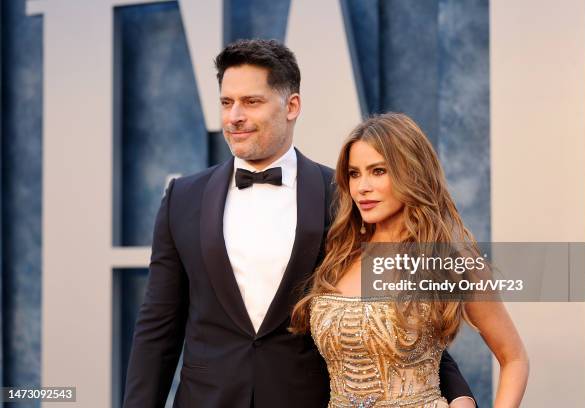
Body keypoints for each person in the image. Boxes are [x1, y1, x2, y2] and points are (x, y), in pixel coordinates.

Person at [123, 39, 477, 408]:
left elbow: (397, 313)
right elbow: (157, 328)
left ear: (292, 105)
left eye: (252, 102)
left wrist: (458, 394)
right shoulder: (182, 198)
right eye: (227, 102)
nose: (234, 116)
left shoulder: (344, 196)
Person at [291, 113, 529, 407]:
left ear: (411, 173)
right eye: (354, 173)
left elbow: (514, 358)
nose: (362, 187)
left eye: (378, 171)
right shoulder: (339, 253)